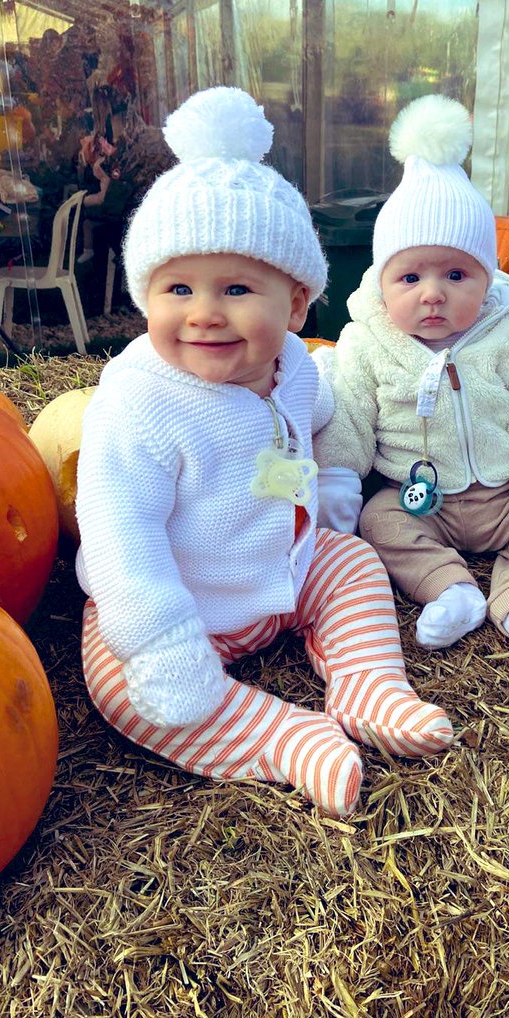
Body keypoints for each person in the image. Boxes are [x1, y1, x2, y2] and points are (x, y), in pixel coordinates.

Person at [74, 86, 453, 818]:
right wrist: (160, 643)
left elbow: (312, 412)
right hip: (185, 606)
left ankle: (370, 685)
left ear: (297, 305)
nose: (205, 312)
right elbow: (122, 541)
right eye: (177, 287)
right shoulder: (138, 403)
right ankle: (283, 738)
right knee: (125, 688)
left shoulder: (297, 366)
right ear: (144, 296)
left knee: (353, 562)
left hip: (284, 570)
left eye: (238, 287)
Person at [313, 95, 509, 657]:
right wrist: (337, 482)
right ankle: (450, 589)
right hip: (417, 500)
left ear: (486, 279)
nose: (432, 292)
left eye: (457, 274)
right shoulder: (366, 343)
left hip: (505, 492)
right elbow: (347, 417)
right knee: (378, 525)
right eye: (410, 276)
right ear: (381, 280)